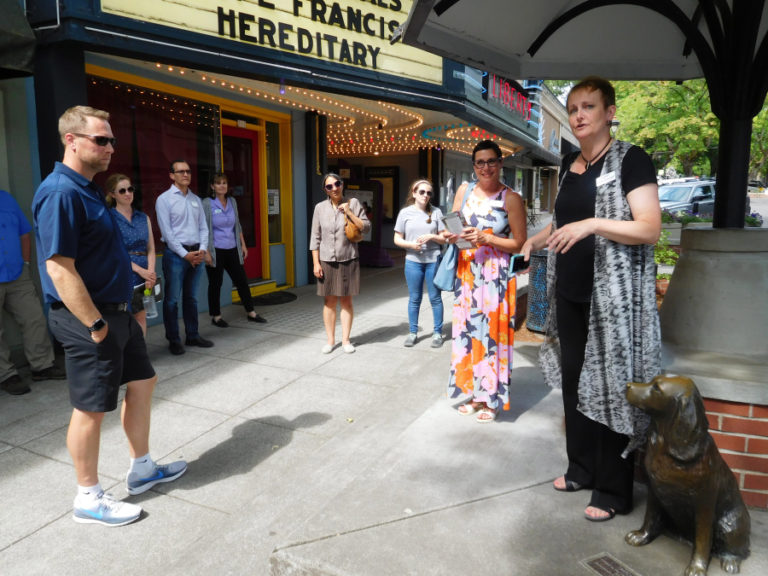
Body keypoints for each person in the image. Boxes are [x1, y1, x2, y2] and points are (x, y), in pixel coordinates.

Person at [32, 105, 186, 527]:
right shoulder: (61, 191)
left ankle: (142, 468)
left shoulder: (88, 189)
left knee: (144, 381)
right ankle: (88, 496)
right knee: (91, 407)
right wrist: (95, 326)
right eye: (101, 139)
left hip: (121, 311)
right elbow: (59, 268)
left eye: (112, 139)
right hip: (90, 319)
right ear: (72, 140)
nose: (110, 147)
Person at [520, 76, 661, 522]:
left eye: (589, 107)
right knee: (575, 384)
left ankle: (613, 490)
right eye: (574, 108)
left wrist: (594, 225)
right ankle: (579, 468)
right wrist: (535, 241)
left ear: (609, 112)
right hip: (570, 292)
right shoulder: (567, 164)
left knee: (610, 386)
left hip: (613, 299)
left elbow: (648, 227)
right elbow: (563, 221)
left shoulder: (631, 160)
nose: (579, 115)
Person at [443, 140, 526, 423]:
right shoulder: (464, 191)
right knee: (468, 334)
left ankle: (491, 398)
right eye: (480, 162)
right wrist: (450, 235)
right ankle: (474, 393)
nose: (486, 167)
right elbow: (451, 225)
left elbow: (519, 243)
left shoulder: (511, 198)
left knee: (492, 335)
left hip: (496, 277)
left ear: (501, 163)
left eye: (491, 161)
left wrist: (487, 237)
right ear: (474, 166)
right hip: (467, 274)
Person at [0, 190, 66, 396]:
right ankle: (6, 375)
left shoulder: (6, 198)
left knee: (34, 319)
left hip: (18, 273)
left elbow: (23, 233)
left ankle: (42, 366)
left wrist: (26, 263)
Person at [155, 159, 213, 355]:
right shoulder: (164, 199)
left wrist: (202, 250)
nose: (185, 174)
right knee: (172, 300)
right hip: (176, 256)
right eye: (180, 172)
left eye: (188, 171)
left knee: (192, 298)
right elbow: (167, 233)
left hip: (197, 253)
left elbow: (203, 228)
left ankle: (193, 335)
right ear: (172, 175)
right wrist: (185, 255)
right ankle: (173, 339)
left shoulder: (195, 199)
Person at [309, 173, 370, 354]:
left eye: (337, 184)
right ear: (325, 190)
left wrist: (349, 212)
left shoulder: (354, 203)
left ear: (342, 184)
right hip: (326, 261)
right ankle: (330, 340)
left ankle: (346, 340)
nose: (334, 188)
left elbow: (366, 227)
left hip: (348, 258)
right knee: (329, 302)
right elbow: (315, 237)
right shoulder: (319, 208)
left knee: (346, 300)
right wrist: (316, 263)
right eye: (329, 186)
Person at [202, 172, 267, 326]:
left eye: (224, 182)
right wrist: (206, 252)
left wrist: (243, 244)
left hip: (232, 248)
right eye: (218, 183)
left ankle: (251, 312)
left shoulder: (232, 201)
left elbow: (237, 225)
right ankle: (216, 316)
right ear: (212, 186)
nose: (222, 185)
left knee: (242, 281)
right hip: (215, 250)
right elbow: (203, 228)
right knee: (215, 284)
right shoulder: (206, 203)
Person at [393, 179, 446, 348]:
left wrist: (432, 237)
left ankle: (437, 333)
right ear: (414, 193)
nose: (425, 195)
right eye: (422, 192)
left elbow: (444, 237)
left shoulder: (436, 212)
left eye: (429, 193)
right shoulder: (405, 213)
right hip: (413, 261)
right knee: (414, 298)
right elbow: (397, 238)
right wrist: (411, 245)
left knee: (435, 298)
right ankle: (413, 333)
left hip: (433, 260)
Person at [106, 174, 157, 336]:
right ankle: (126, 356)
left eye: (130, 189)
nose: (127, 193)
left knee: (141, 314)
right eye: (122, 191)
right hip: (122, 271)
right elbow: (114, 250)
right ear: (113, 194)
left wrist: (150, 272)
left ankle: (140, 355)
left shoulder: (143, 218)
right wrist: (141, 271)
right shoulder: (109, 218)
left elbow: (151, 248)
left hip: (144, 273)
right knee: (123, 316)